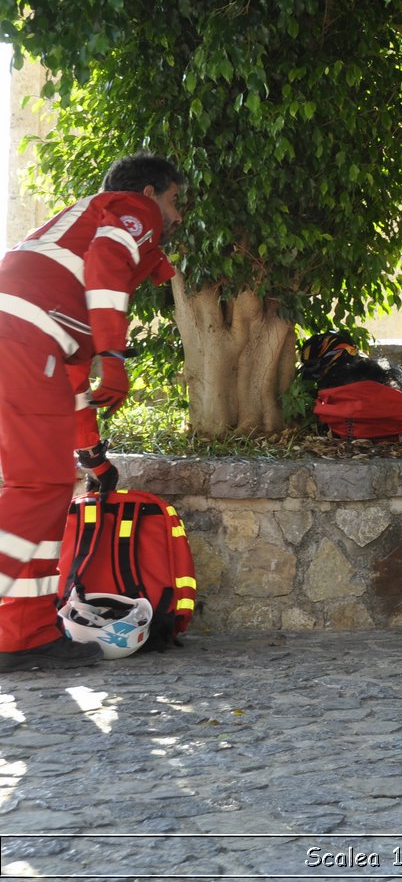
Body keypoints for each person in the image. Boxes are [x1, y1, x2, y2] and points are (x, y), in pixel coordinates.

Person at [0, 153, 184, 671]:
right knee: (37, 488)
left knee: (45, 487)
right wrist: (114, 354)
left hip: (26, 337)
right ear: (151, 193)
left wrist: (92, 458)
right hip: (26, 332)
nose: (176, 217)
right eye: (174, 202)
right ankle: (20, 629)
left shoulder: (68, 264)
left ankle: (25, 632)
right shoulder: (131, 208)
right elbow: (109, 257)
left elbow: (69, 384)